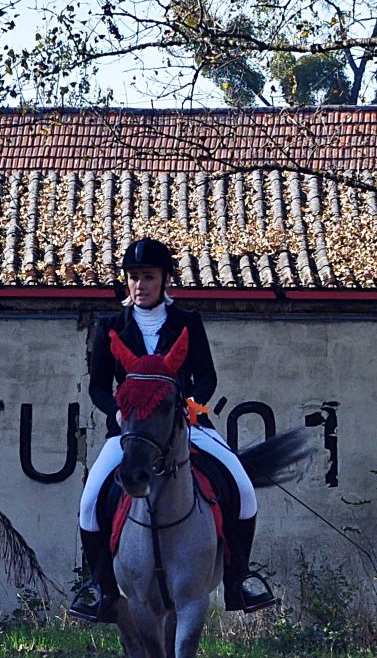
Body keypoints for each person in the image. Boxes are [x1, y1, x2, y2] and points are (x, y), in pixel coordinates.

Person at [69, 238, 273, 623]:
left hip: (187, 425)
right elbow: (98, 384)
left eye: (148, 276)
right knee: (89, 502)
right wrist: (115, 412)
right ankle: (101, 586)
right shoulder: (111, 326)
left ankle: (238, 579)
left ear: (165, 280)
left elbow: (206, 374)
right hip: (132, 431)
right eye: (133, 277)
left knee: (243, 487)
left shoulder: (187, 322)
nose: (140, 284)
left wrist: (193, 403)